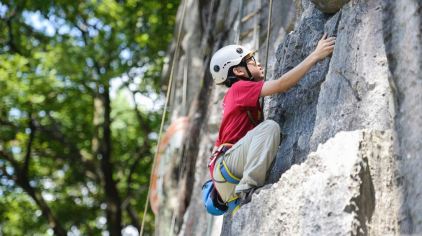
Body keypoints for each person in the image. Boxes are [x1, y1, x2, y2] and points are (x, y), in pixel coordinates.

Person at [205, 33, 335, 214]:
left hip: (226, 175)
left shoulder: (237, 95)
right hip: (229, 168)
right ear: (239, 71)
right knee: (270, 127)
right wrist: (315, 55)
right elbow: (281, 84)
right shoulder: (239, 88)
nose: (257, 63)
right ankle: (247, 189)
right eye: (250, 60)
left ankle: (242, 204)